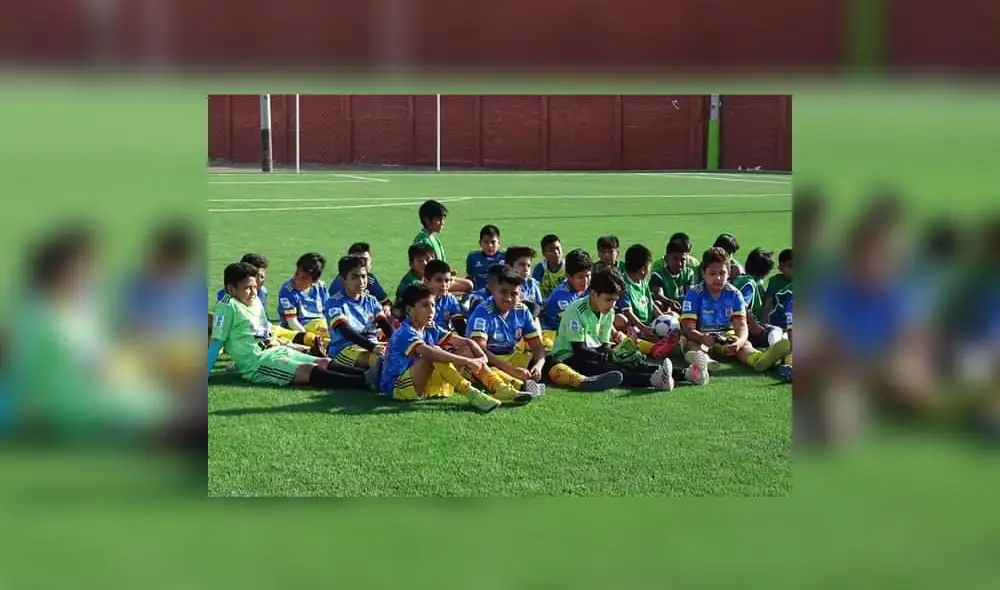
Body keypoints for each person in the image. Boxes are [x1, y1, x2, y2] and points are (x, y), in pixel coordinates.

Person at [209, 262, 377, 390]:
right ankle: (364, 381)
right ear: (231, 289)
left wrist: (288, 345)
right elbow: (217, 341)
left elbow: (265, 331)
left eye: (254, 287)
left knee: (322, 361)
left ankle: (373, 375)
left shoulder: (255, 300)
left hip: (275, 350)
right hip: (257, 363)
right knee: (306, 370)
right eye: (247, 288)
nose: (254, 292)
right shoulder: (227, 306)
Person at [548, 267, 709, 390]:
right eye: (608, 300)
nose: (612, 305)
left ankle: (688, 374)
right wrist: (609, 356)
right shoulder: (576, 311)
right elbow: (579, 350)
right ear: (593, 294)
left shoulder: (608, 311)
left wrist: (612, 352)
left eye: (615, 300)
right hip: (570, 357)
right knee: (614, 367)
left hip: (592, 352)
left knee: (635, 362)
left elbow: (603, 344)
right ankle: (654, 381)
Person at [470, 267, 622, 393]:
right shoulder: (483, 312)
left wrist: (538, 365)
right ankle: (521, 387)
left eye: (514, 293)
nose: (509, 298)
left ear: (520, 294)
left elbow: (537, 346)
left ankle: (583, 381)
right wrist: (511, 370)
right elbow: (480, 350)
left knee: (549, 360)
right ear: (493, 291)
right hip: (489, 360)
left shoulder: (521, 310)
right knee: (489, 370)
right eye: (503, 292)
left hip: (513, 357)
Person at [379, 284, 510, 412]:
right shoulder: (404, 331)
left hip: (424, 383)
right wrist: (468, 361)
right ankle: (471, 394)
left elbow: (466, 342)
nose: (431, 311)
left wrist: (482, 357)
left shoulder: (431, 327)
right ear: (409, 310)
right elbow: (429, 353)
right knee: (435, 352)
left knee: (464, 350)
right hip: (399, 388)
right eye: (425, 306)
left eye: (433, 305)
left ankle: (500, 387)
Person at [680, 247, 790, 372]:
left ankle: (758, 360)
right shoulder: (694, 294)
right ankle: (704, 361)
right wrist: (701, 338)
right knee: (692, 344)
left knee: (745, 345)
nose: (718, 278)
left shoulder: (735, 294)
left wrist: (739, 341)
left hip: (726, 336)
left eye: (722, 273)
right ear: (703, 273)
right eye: (712, 273)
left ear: (728, 273)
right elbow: (688, 328)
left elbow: (741, 325)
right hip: (701, 336)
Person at [325, 255, 394, 370]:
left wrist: (399, 342)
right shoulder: (334, 303)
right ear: (343, 280)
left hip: (372, 345)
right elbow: (346, 331)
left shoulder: (371, 300)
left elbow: (385, 325)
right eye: (355, 277)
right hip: (345, 348)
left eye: (363, 276)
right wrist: (372, 347)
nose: (361, 281)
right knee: (381, 361)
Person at [613, 244, 665, 355]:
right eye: (649, 267)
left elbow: (651, 304)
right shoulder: (624, 285)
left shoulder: (643, 282)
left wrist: (664, 318)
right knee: (621, 320)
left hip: (648, 324)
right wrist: (643, 328)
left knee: (671, 315)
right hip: (634, 326)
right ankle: (653, 346)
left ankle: (659, 341)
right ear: (643, 269)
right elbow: (628, 312)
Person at [413, 199, 473, 292]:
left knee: (468, 283)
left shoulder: (434, 238)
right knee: (468, 285)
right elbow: (424, 269)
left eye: (443, 219)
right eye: (439, 219)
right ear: (427, 220)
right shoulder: (422, 241)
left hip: (441, 277)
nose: (442, 223)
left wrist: (449, 272)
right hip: (433, 281)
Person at [731, 247, 784, 349]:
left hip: (738, 327)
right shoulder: (749, 284)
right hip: (744, 328)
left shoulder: (740, 280)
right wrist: (754, 325)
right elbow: (742, 306)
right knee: (776, 331)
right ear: (765, 272)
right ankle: (774, 349)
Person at [539, 249, 592, 344]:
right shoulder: (562, 298)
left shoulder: (582, 287)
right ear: (568, 276)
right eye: (580, 277)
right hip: (553, 335)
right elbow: (572, 324)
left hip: (571, 330)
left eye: (588, 276)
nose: (585, 281)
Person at [276, 252, 329, 338]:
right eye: (296, 274)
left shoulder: (321, 287)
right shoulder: (288, 290)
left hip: (321, 327)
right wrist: (307, 337)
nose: (297, 280)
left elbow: (328, 313)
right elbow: (292, 322)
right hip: (298, 330)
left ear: (314, 281)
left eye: (304, 278)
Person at [329, 243, 392, 312]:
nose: (361, 263)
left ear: (371, 263)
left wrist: (386, 307)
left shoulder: (370, 279)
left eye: (365, 260)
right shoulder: (341, 283)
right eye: (355, 260)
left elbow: (385, 301)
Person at [651, 238, 698, 313]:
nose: (679, 264)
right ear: (666, 259)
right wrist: (670, 302)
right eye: (675, 259)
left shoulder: (689, 273)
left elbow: (689, 294)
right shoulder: (658, 275)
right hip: (665, 306)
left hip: (681, 306)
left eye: (682, 260)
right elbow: (658, 295)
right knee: (658, 304)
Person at [392, 243, 435, 318]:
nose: (425, 263)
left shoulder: (428, 276)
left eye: (428, 260)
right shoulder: (410, 285)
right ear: (411, 264)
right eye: (420, 261)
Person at [423, 259, 466, 333]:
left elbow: (459, 323)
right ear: (427, 282)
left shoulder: (449, 299)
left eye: (447, 280)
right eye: (439, 280)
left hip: (445, 337)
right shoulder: (418, 301)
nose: (444, 285)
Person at [504, 246, 544, 316]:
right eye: (522, 265)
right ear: (508, 267)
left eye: (528, 265)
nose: (526, 269)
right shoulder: (501, 286)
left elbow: (540, 306)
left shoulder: (532, 283)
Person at [466, 225, 505, 291]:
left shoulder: (505, 257)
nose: (490, 245)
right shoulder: (473, 257)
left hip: (500, 293)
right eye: (486, 242)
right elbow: (470, 276)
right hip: (479, 294)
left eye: (493, 242)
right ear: (480, 243)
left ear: (499, 243)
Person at [763, 248, 792, 323]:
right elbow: (768, 304)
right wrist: (764, 323)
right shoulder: (775, 281)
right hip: (779, 321)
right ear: (780, 267)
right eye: (790, 266)